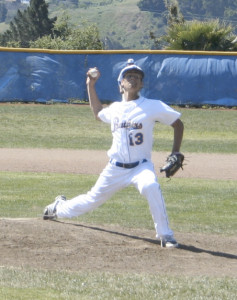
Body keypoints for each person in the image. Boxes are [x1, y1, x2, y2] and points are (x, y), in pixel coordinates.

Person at [43, 59, 184, 248]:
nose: (133, 79)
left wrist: (175, 151)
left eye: (137, 77)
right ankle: (58, 207)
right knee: (90, 201)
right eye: (129, 76)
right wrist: (90, 85)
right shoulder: (115, 109)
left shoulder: (152, 106)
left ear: (141, 84)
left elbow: (178, 124)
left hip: (141, 166)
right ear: (121, 85)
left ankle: (165, 235)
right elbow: (98, 113)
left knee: (150, 185)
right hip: (115, 168)